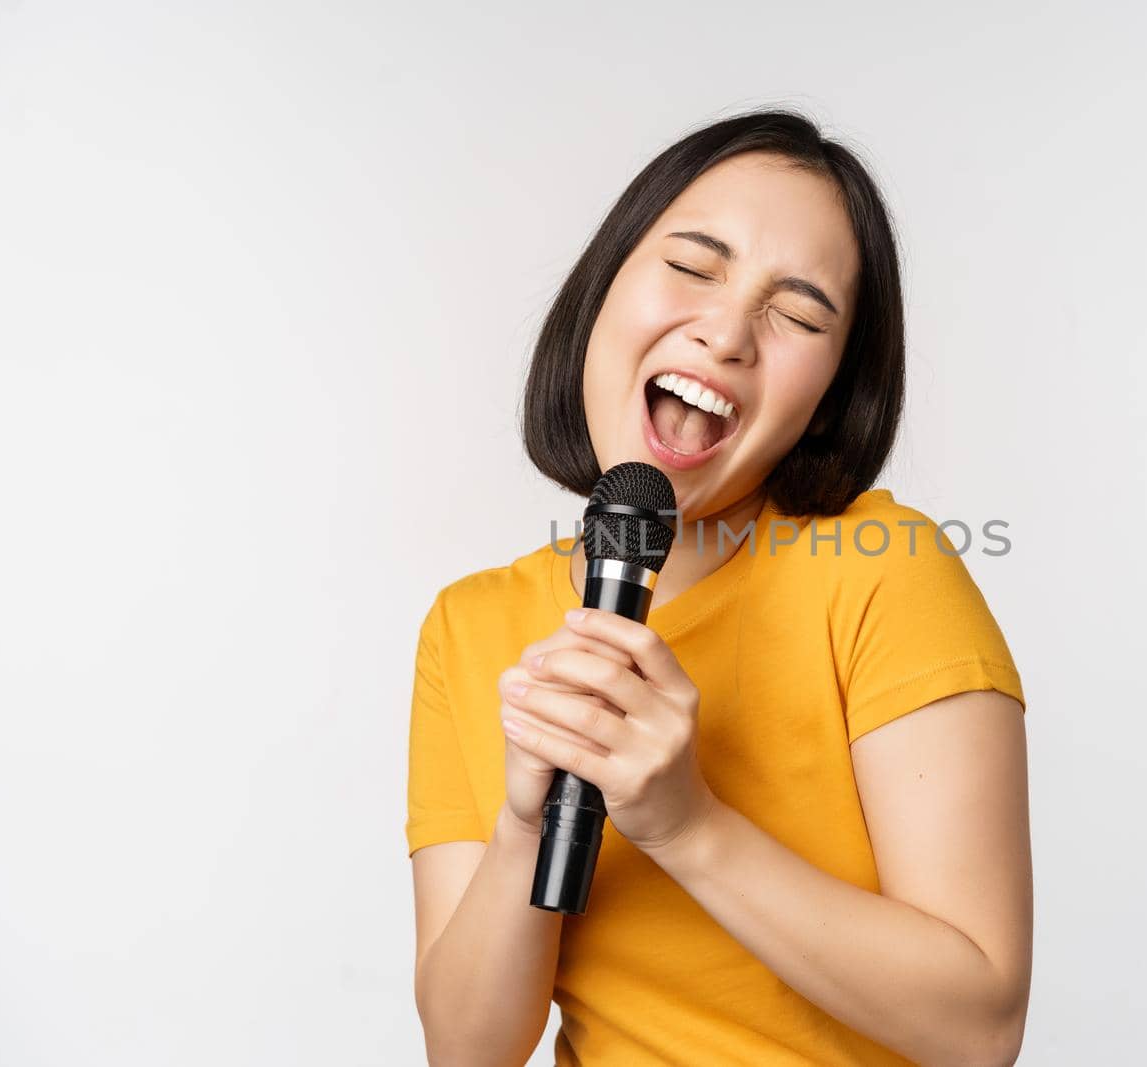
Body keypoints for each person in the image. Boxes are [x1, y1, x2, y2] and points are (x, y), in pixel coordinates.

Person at [406, 108, 1031, 1066]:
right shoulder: (471, 622)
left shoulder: (885, 571)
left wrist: (687, 824)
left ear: (829, 396)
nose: (729, 332)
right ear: (603, 292)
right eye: (694, 266)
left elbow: (980, 1027)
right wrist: (524, 825)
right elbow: (468, 1048)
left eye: (799, 313)